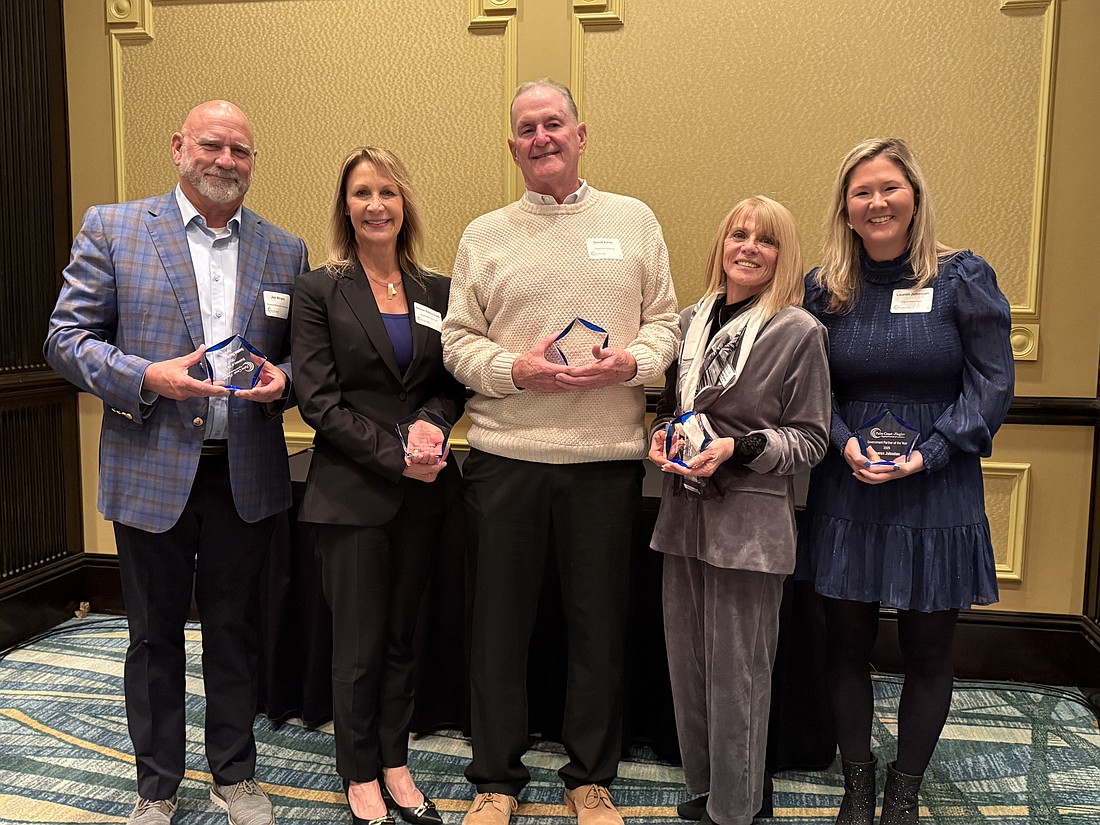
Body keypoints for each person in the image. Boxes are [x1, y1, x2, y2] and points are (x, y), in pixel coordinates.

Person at [44, 100, 309, 825]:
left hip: (246, 470)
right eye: (213, 146)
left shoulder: (285, 249)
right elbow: (65, 339)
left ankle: (236, 776)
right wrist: (145, 376)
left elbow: (299, 356)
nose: (227, 161)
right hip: (151, 464)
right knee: (152, 633)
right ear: (178, 148)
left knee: (234, 629)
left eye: (241, 151)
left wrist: (285, 378)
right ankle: (156, 785)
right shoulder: (116, 227)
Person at [441, 78, 679, 825]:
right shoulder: (484, 233)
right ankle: (495, 780)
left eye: (554, 123)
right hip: (505, 457)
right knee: (498, 630)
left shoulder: (634, 221)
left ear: (582, 133)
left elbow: (667, 327)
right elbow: (456, 341)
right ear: (512, 147)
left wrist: (631, 364)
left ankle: (590, 778)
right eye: (526, 128)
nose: (541, 137)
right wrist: (518, 369)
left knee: (598, 628)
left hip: (605, 459)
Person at [797, 138, 1014, 825]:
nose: (877, 201)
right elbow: (808, 385)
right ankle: (857, 782)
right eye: (862, 191)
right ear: (846, 208)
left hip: (936, 488)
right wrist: (841, 440)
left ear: (914, 196)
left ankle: (904, 788)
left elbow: (992, 382)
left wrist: (934, 451)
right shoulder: (823, 288)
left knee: (928, 648)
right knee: (845, 642)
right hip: (849, 482)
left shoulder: (963, 276)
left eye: (889, 187)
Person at [290, 147, 464, 825]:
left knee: (402, 637)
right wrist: (397, 455)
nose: (376, 205)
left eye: (388, 192)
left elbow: (448, 384)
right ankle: (359, 770)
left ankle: (396, 760)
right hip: (350, 491)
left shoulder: (435, 291)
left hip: (424, 491)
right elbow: (319, 402)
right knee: (358, 645)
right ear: (345, 206)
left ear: (405, 204)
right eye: (361, 193)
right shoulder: (319, 290)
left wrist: (430, 424)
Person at [648, 196, 830, 825]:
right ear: (721, 244)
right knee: (689, 668)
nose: (749, 247)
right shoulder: (692, 320)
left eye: (767, 240)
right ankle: (709, 790)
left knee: (740, 677)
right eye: (738, 234)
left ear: (785, 256)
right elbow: (680, 408)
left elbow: (810, 439)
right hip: (683, 513)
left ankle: (739, 808)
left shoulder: (797, 330)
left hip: (749, 525)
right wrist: (662, 433)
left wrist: (740, 447)